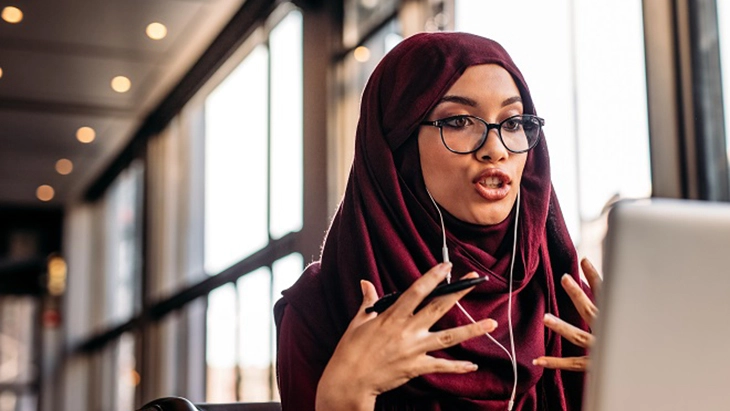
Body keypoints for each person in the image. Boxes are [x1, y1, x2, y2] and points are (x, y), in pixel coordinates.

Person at [274, 32, 600, 411]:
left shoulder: (569, 303)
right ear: (397, 148)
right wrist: (345, 395)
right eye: (459, 120)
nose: (494, 149)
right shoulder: (323, 306)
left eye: (512, 123)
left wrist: (639, 383)